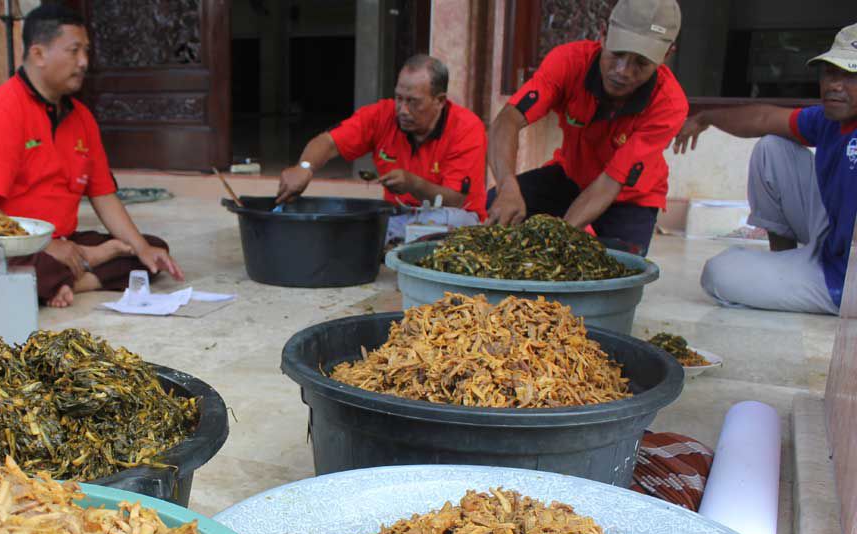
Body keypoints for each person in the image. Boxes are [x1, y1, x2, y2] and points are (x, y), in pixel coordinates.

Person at [0, 5, 182, 308]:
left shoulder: (82, 118)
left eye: (86, 52)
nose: (84, 62)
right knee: (3, 274)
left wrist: (139, 246)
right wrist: (46, 245)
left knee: (152, 251)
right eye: (74, 51)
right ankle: (80, 269)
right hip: (5, 246)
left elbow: (103, 194)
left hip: (65, 240)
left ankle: (70, 279)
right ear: (38, 54)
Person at [676, 23, 857, 315]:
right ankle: (786, 262)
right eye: (831, 72)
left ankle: (802, 281)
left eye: (850, 75)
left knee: (720, 274)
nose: (835, 85)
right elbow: (763, 118)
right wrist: (706, 116)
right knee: (772, 146)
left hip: (846, 281)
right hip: (831, 244)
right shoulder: (829, 119)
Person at [486, 0, 687, 255]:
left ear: (667, 55)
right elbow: (508, 119)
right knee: (498, 204)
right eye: (617, 54)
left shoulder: (669, 104)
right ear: (603, 35)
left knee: (621, 266)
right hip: (571, 175)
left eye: (641, 63)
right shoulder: (568, 62)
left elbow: (611, 181)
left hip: (630, 195)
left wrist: (557, 237)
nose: (623, 71)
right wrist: (506, 185)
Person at [276, 54, 488, 241]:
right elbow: (328, 142)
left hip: (452, 217)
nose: (402, 110)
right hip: (398, 215)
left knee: (451, 224)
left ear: (439, 101)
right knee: (347, 228)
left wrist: (412, 183)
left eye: (413, 102)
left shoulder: (466, 127)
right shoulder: (381, 115)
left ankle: (392, 245)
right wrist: (304, 167)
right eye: (398, 98)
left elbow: (455, 200)